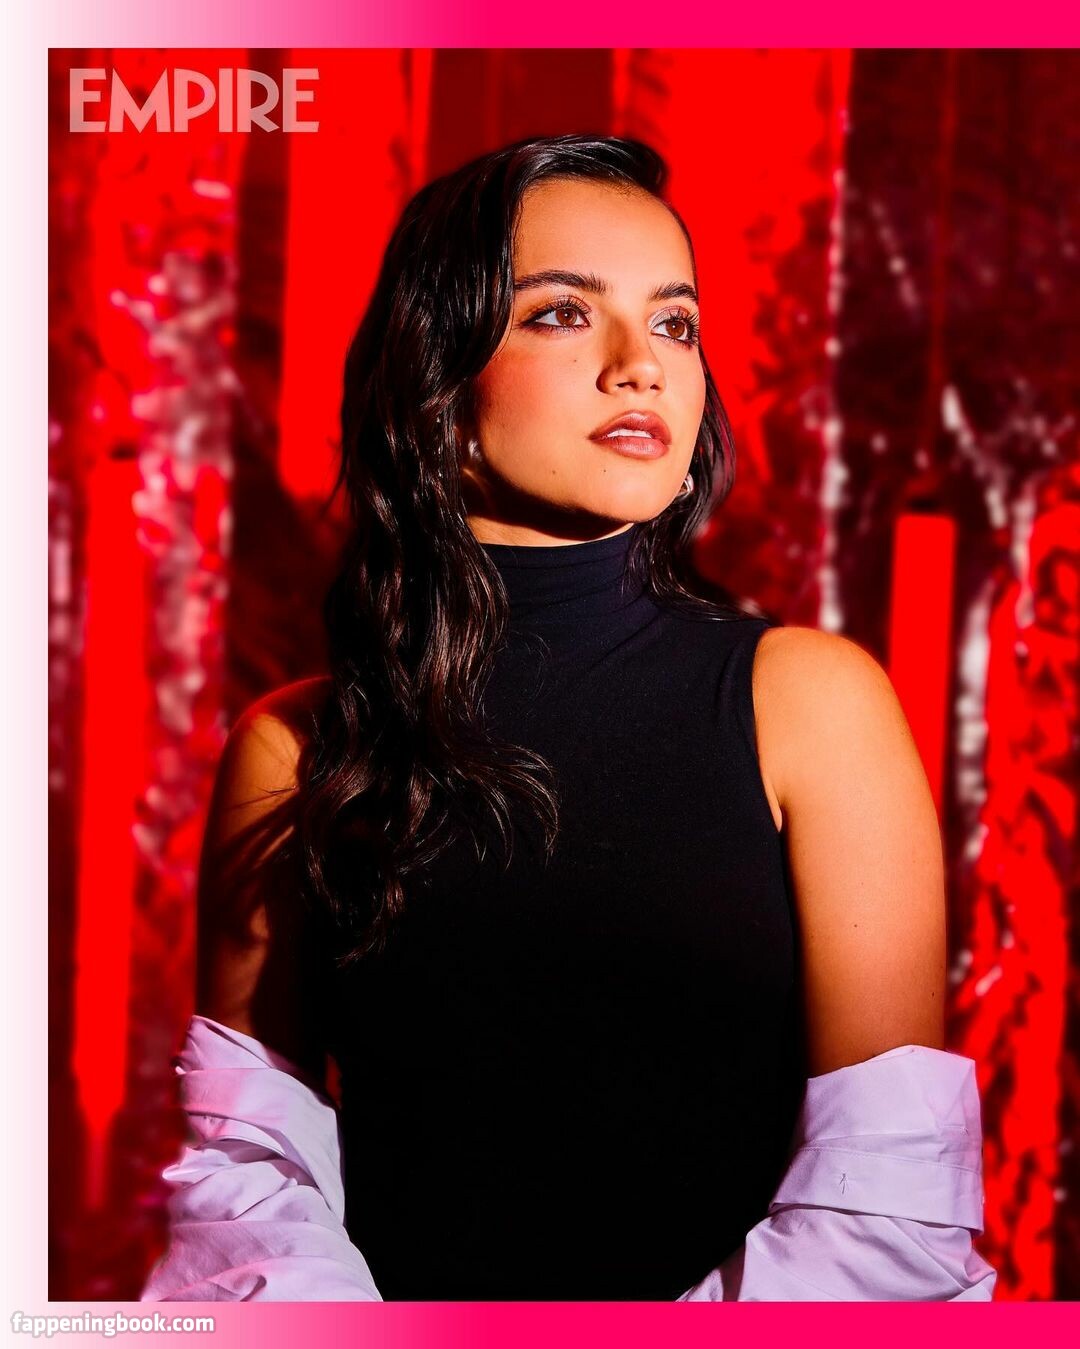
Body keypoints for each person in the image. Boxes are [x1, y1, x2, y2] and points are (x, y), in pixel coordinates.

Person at [141, 134, 996, 1302]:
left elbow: (886, 1208)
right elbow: (249, 1178)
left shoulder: (812, 703)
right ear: (440, 383)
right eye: (562, 314)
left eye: (675, 323)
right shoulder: (293, 751)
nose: (641, 366)